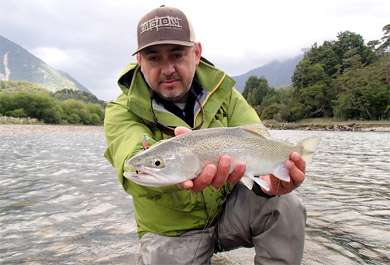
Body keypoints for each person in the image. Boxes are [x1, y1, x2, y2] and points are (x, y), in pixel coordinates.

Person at [104, 5, 307, 265]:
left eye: (177, 55)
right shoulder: (121, 110)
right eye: (154, 58)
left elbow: (260, 143)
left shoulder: (225, 94)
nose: (167, 69)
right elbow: (130, 166)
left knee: (286, 200)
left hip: (228, 216)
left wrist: (272, 182)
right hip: (171, 231)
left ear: (196, 53)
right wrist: (168, 173)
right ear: (140, 62)